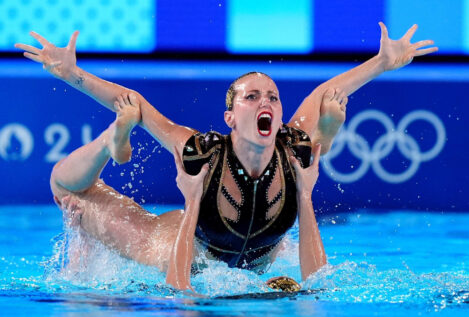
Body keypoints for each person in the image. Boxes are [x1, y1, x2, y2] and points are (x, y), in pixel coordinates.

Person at [15, 22, 437, 291]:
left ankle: (114, 146)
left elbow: (326, 92)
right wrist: (72, 75)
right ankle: (111, 141)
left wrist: (381, 64)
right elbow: (138, 105)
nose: (264, 101)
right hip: (171, 247)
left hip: (254, 263)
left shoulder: (293, 149)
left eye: (271, 96)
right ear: (230, 117)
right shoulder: (202, 153)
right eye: (251, 97)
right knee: (67, 189)